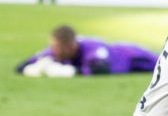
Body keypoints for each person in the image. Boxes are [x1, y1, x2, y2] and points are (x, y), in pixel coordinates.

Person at [15, 24, 158, 78]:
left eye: (57, 48)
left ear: (70, 46)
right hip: (129, 65)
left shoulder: (92, 48)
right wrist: (33, 68)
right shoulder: (54, 51)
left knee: (163, 67)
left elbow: (101, 70)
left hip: (132, 56)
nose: (53, 52)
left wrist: (70, 72)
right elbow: (21, 66)